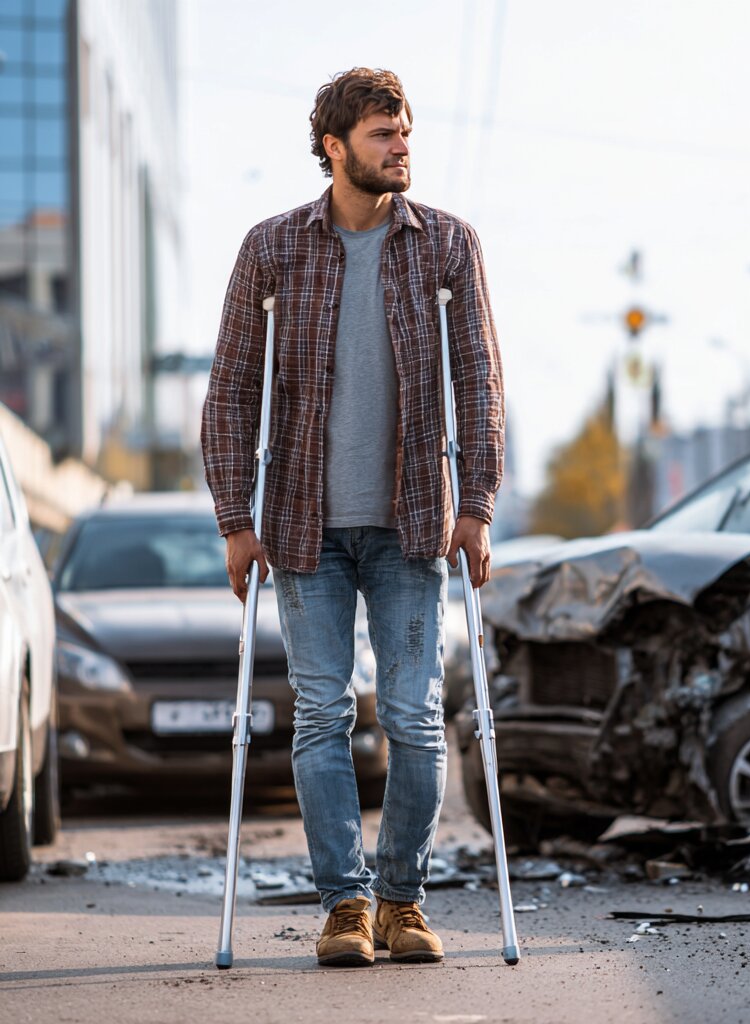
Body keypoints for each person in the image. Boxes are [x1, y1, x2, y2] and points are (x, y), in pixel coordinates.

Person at [201, 67, 504, 967]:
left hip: (414, 519)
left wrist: (477, 503)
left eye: (405, 131)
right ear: (334, 147)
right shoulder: (272, 249)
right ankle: (343, 905)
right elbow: (230, 391)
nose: (401, 146)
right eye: (382, 133)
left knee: (413, 718)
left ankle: (402, 900)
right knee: (321, 714)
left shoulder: (447, 246)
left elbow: (479, 382)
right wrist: (233, 518)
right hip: (302, 523)